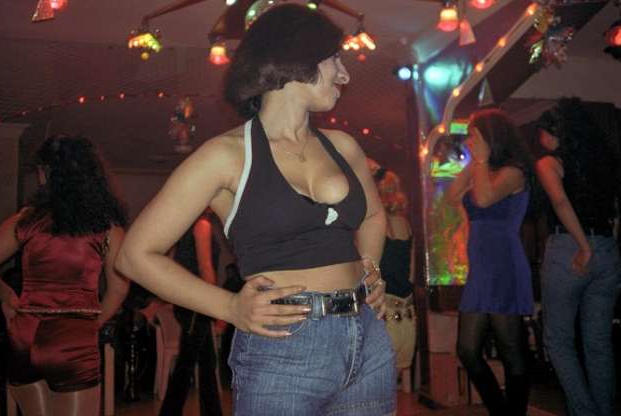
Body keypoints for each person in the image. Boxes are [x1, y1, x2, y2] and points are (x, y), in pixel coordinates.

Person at [116, 4, 394, 415]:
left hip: (367, 335)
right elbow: (134, 256)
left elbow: (372, 216)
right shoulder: (225, 155)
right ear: (297, 59)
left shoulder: (343, 146)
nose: (345, 74)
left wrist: (370, 267)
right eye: (335, 59)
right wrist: (228, 307)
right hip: (284, 342)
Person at [0, 135, 130, 416]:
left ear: (45, 173)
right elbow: (119, 289)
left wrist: (6, 295)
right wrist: (94, 323)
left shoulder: (25, 220)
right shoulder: (107, 227)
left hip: (24, 335)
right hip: (72, 338)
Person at [534, 97, 621, 416]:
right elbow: (616, 210)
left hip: (569, 248)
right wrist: (604, 245)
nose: (539, 138)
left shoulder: (548, 163)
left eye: (542, 132)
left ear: (554, 132)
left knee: (558, 340)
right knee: (598, 342)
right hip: (607, 249)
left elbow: (560, 202)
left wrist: (584, 247)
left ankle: (584, 412)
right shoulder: (600, 163)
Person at [447, 108, 534, 416]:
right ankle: (500, 410)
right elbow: (453, 195)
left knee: (510, 348)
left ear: (491, 137)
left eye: (474, 135)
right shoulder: (483, 168)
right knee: (467, 350)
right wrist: (477, 162)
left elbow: (483, 200)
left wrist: (481, 161)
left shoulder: (514, 172)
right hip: (482, 267)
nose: (469, 141)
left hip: (503, 264)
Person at [158, 212, 223, 416]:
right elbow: (206, 269)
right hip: (197, 304)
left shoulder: (185, 226)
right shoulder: (201, 225)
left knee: (203, 363)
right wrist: (219, 309)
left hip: (189, 303)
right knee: (190, 365)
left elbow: (171, 263)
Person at [376, 170, 416, 389]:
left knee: (379, 384)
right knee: (392, 381)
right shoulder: (405, 224)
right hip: (407, 312)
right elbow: (411, 273)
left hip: (384, 312)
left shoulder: (373, 226)